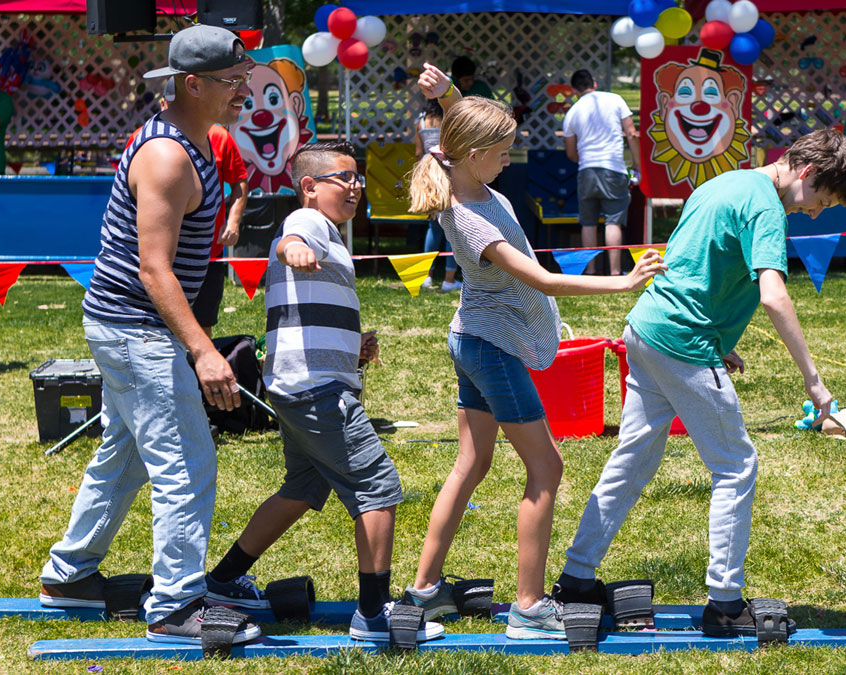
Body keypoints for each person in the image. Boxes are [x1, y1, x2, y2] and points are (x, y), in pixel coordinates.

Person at [552, 129, 846, 638]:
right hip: (682, 345)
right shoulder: (766, 209)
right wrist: (814, 382)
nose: (816, 213)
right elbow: (773, 297)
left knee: (631, 460)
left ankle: (576, 578)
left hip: (646, 330)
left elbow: (690, 263)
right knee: (736, 466)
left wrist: (720, 337)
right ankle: (724, 603)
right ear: (806, 173)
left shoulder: (728, 183)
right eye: (822, 201)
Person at [402, 63, 666, 641]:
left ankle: (422, 593)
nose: (509, 160)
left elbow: (459, 122)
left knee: (471, 463)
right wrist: (622, 283)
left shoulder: (460, 169)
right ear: (474, 156)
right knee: (546, 467)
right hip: (490, 349)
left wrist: (447, 92)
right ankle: (528, 608)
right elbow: (542, 280)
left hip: (472, 339)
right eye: (503, 152)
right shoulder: (471, 220)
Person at [37, 25, 259, 646]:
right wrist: (203, 349)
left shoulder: (194, 140)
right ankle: (176, 608)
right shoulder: (166, 156)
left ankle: (69, 573)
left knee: (126, 455)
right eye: (233, 81)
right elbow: (153, 267)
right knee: (186, 463)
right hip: (139, 329)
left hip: (128, 326)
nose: (245, 89)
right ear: (193, 84)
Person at [203, 142, 444, 644]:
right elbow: (290, 237)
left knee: (301, 489)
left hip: (300, 385)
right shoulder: (308, 224)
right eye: (345, 177)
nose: (356, 186)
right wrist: (291, 247)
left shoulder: (330, 236)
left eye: (358, 178)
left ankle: (223, 581)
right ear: (310, 188)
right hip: (318, 393)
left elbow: (307, 314)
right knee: (377, 487)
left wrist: (353, 348)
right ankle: (373, 616)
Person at [127, 79, 250, 334]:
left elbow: (239, 182)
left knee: (203, 323)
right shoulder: (144, 139)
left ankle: (196, 368)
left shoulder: (220, 137)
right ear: (163, 104)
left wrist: (233, 221)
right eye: (171, 106)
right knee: (157, 324)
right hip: (159, 254)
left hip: (208, 251)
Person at [563, 68, 642, 276]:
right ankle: (615, 272)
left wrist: (587, 159)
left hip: (586, 170)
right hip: (613, 168)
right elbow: (632, 134)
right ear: (594, 83)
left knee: (588, 223)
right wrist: (637, 163)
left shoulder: (572, 113)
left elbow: (571, 153)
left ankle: (591, 270)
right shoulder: (615, 100)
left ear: (574, 90)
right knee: (613, 221)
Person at [413, 99, 459, 292]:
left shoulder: (420, 121)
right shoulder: (449, 119)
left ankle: (427, 277)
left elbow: (417, 151)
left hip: (427, 171)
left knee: (433, 227)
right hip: (446, 170)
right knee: (452, 226)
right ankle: (449, 280)